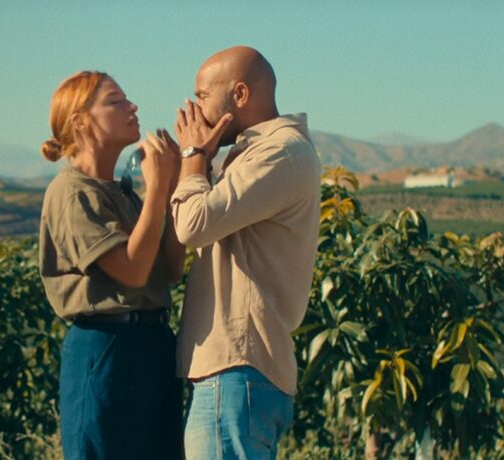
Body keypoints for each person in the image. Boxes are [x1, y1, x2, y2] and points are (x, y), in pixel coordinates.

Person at [170, 46, 322, 459]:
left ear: (239, 94)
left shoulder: (279, 153)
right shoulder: (256, 153)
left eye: (202, 96)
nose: (194, 111)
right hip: (235, 374)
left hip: (235, 370)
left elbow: (193, 224)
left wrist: (192, 156)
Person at [38, 70, 185, 459]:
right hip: (106, 348)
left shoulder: (123, 194)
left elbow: (171, 270)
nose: (132, 107)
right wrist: (157, 189)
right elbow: (132, 272)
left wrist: (171, 189)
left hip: (151, 344)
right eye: (116, 101)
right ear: (80, 122)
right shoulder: (73, 193)